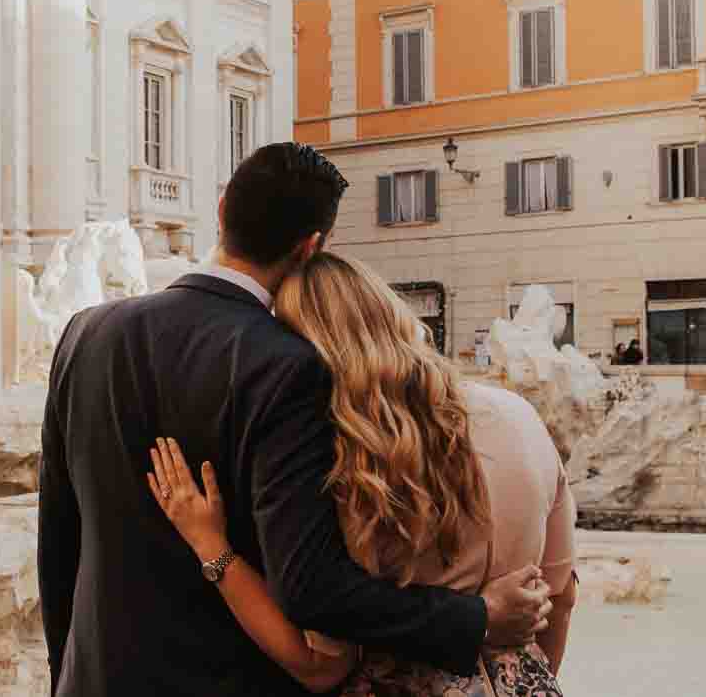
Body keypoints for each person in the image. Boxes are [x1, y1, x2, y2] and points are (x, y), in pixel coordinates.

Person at [39, 142, 551, 696]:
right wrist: (473, 619)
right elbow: (313, 586)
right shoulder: (289, 365)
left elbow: (58, 540)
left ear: (220, 213)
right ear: (311, 246)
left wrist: (64, 675)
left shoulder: (84, 333)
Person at [149, 253, 578, 696]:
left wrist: (212, 547)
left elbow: (319, 666)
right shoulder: (519, 416)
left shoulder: (357, 460)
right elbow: (560, 597)